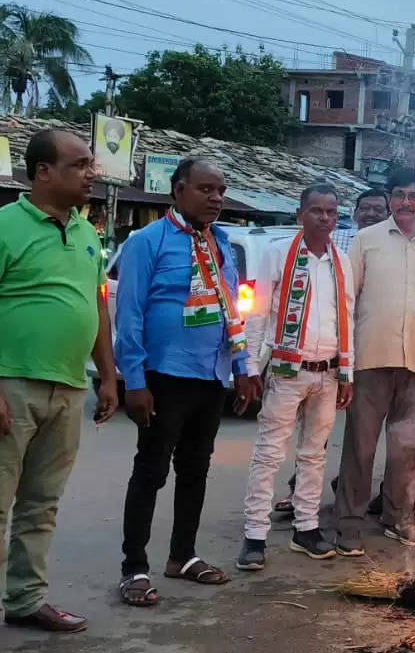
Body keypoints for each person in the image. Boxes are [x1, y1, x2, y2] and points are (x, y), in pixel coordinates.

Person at [114, 157, 263, 606]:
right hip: (164, 376)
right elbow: (130, 315)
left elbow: (231, 312)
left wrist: (241, 369)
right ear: (178, 190)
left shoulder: (220, 242)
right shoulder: (147, 242)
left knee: (195, 469)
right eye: (205, 189)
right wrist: (134, 381)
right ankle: (133, 568)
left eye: (220, 190)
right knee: (151, 471)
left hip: (209, 375)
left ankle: (183, 555)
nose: (216, 198)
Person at [0, 130, 116, 633]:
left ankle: (26, 600)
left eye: (91, 163)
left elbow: (97, 308)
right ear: (42, 172)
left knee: (41, 504)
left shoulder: (88, 232)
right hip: (12, 386)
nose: (93, 172)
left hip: (68, 387)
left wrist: (108, 375)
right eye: (80, 164)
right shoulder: (5, 226)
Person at [334, 167, 415, 553]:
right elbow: (347, 302)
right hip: (370, 359)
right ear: (390, 199)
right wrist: (345, 360)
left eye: (414, 196)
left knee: (409, 448)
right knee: (361, 447)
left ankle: (397, 517)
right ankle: (349, 525)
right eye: (400, 194)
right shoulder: (366, 240)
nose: (407, 202)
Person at [237, 184, 355, 571]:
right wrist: (251, 366)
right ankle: (255, 535)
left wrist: (347, 371)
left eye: (331, 212)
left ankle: (306, 528)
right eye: (317, 210)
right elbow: (257, 313)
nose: (324, 218)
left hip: (328, 372)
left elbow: (347, 318)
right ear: (300, 213)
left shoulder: (342, 260)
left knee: (314, 455)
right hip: (288, 371)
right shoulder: (279, 254)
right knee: (269, 453)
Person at [332, 189, 389, 254]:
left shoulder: (396, 244)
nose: (371, 214)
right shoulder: (333, 238)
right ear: (355, 213)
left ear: (388, 215)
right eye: (365, 208)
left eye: (378, 209)